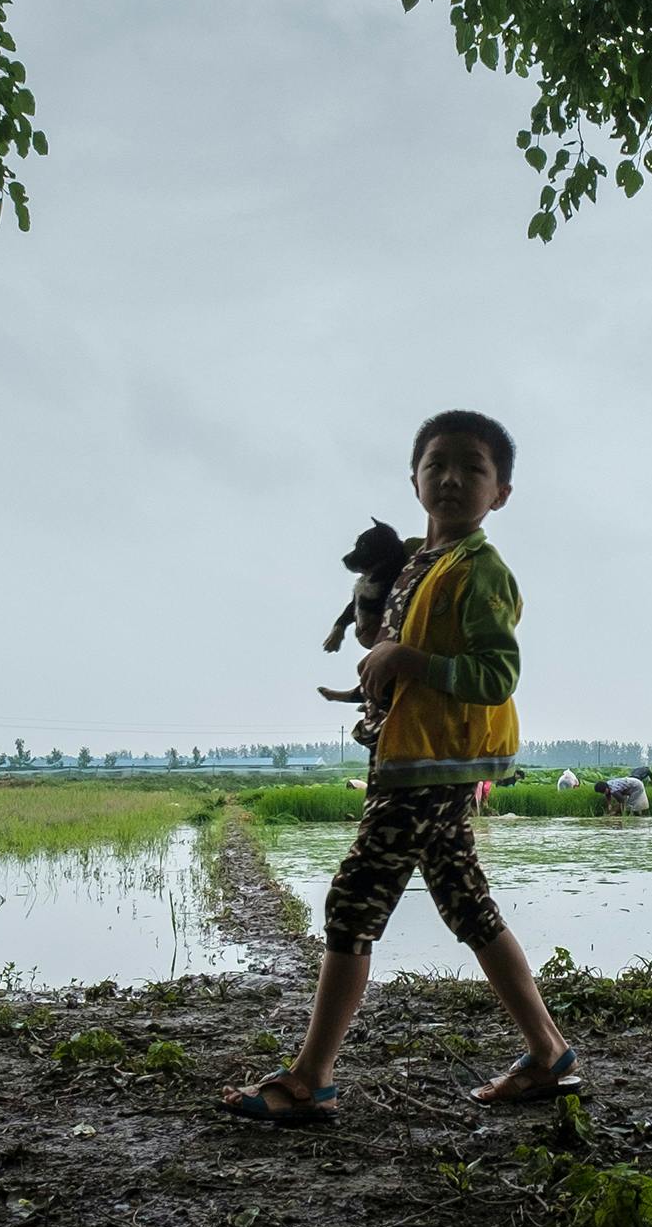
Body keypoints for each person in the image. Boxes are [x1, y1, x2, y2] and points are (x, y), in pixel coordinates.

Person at [226, 410, 579, 1123]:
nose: (452, 478)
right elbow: (398, 654)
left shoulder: (481, 570)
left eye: (472, 468)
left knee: (353, 901)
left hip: (430, 768)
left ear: (501, 492)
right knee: (468, 906)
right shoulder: (415, 566)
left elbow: (497, 673)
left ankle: (309, 1078)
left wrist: (405, 658)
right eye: (437, 464)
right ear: (414, 478)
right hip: (412, 758)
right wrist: (377, 664)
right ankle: (548, 1055)